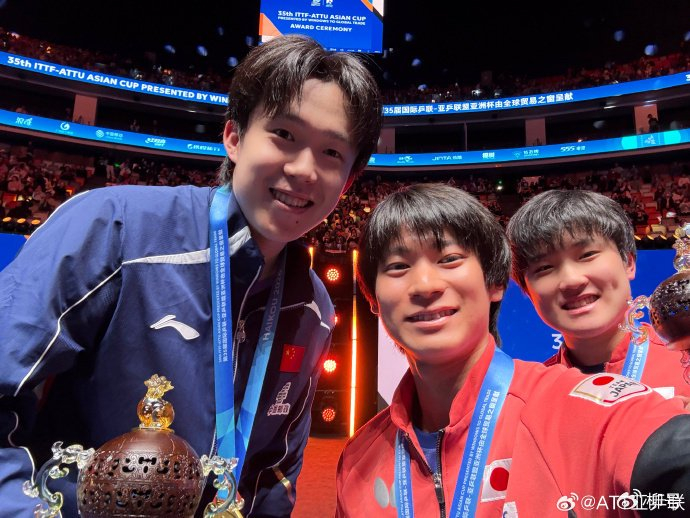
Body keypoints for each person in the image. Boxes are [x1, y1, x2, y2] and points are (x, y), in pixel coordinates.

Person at [0, 34, 382, 517]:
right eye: (284, 134)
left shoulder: (314, 309)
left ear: (348, 182)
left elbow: (273, 472)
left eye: (332, 153)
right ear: (234, 138)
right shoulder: (114, 228)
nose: (305, 169)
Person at [336, 184, 690, 517]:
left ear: (495, 283)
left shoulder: (580, 408)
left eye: (450, 259)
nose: (425, 285)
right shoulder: (356, 459)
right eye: (398, 266)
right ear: (373, 299)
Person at [507, 190, 690, 398]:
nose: (571, 281)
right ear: (527, 290)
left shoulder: (684, 360)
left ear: (628, 262)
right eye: (544, 268)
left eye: (587, 255)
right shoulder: (530, 399)